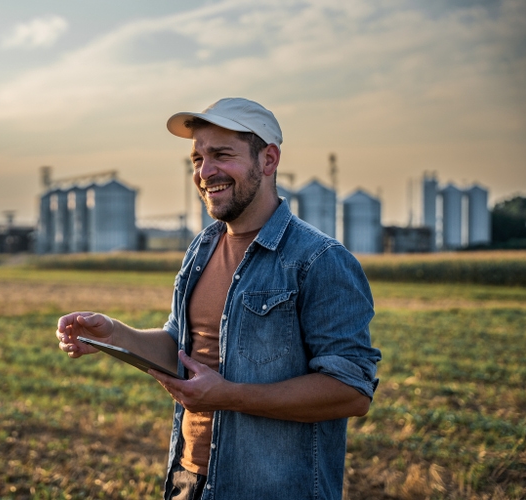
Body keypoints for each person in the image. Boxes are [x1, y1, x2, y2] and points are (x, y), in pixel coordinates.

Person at [56, 97, 381, 500]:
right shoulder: (203, 248)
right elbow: (182, 347)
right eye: (197, 158)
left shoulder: (318, 260)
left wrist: (229, 396)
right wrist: (114, 336)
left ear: (268, 159)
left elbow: (351, 390)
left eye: (222, 155)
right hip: (190, 480)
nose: (205, 172)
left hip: (269, 489)